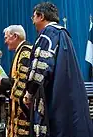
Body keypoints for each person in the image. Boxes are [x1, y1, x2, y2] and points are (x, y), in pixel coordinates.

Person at [27, 2, 93, 137]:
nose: (33, 22)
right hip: (67, 98)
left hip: (53, 99)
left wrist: (30, 92)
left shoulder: (47, 33)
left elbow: (41, 67)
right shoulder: (63, 34)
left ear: (41, 16)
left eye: (33, 17)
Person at [0, 25, 33, 137]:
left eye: (6, 38)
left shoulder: (25, 52)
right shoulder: (20, 51)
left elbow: (22, 83)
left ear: (15, 36)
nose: (5, 42)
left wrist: (3, 82)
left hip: (24, 109)